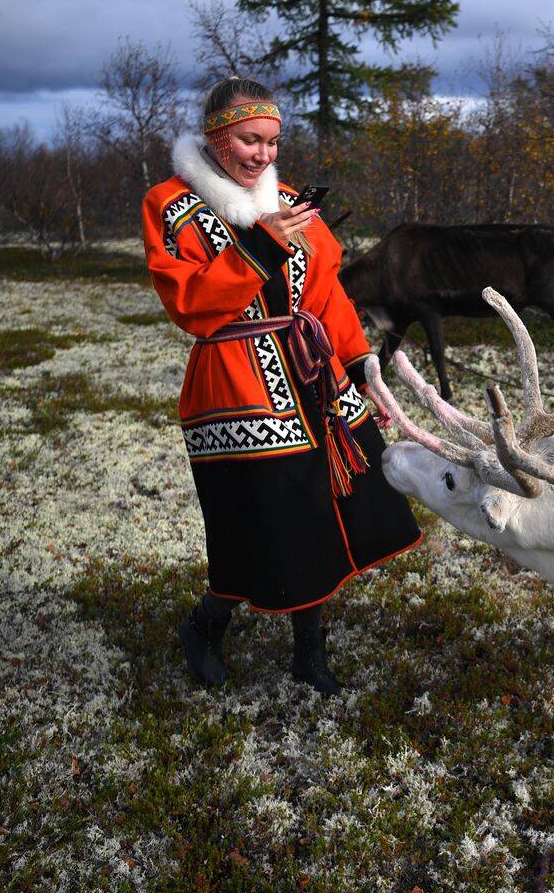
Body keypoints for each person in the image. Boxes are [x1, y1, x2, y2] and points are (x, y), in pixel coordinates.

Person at [141, 77, 422, 695]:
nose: (263, 155)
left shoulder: (292, 201)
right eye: (249, 140)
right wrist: (262, 244)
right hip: (237, 382)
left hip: (312, 375)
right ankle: (206, 624)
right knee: (261, 521)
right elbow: (190, 302)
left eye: (272, 142)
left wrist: (359, 365)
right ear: (217, 137)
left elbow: (327, 294)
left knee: (330, 506)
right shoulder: (169, 204)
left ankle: (308, 652)